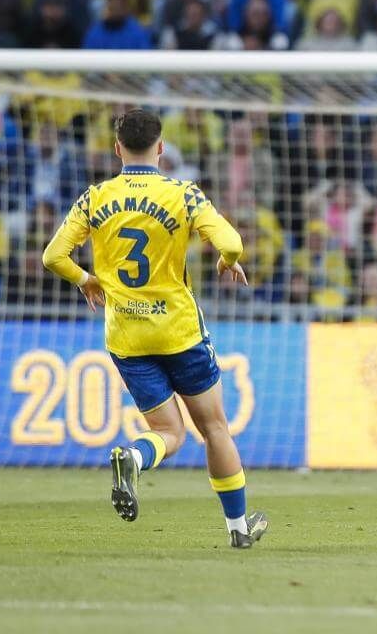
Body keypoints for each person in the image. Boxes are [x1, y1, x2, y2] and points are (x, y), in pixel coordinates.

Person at [41, 109, 268, 549]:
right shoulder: (183, 194)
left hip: (127, 336)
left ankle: (134, 456)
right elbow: (232, 242)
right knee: (214, 429)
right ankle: (239, 529)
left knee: (168, 433)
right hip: (179, 332)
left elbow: (53, 256)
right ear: (161, 148)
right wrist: (228, 261)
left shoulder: (95, 197)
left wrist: (86, 280)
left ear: (117, 149)